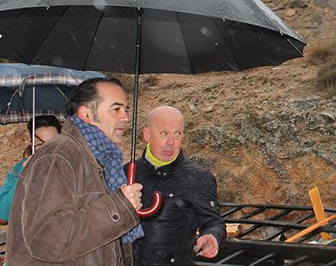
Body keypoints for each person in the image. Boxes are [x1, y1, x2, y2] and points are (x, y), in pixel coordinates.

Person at [5, 77, 143, 265]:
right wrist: (119, 206)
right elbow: (46, 239)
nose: (125, 117)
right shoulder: (58, 157)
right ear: (86, 114)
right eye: (116, 109)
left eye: (126, 109)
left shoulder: (103, 159)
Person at [133, 105, 225, 265]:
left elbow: (213, 221)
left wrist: (212, 236)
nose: (171, 142)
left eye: (177, 134)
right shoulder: (128, 173)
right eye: (164, 134)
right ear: (147, 134)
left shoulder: (198, 177)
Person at [0, 115, 61, 223]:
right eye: (40, 143)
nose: (48, 149)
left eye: (52, 143)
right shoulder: (18, 170)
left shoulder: (72, 166)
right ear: (32, 144)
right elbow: (3, 216)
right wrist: (24, 176)